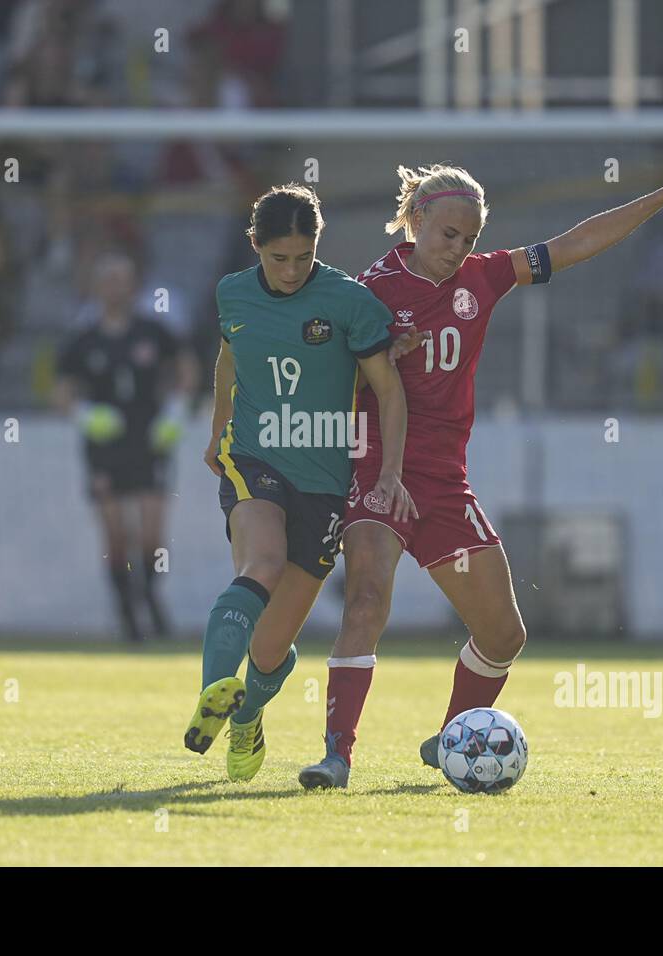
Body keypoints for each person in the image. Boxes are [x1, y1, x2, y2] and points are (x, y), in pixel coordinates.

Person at [299, 158, 663, 788]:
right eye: (449, 235)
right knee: (365, 597)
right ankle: (337, 754)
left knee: (503, 633)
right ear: (415, 221)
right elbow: (328, 377)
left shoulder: (485, 277)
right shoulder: (372, 290)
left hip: (444, 482)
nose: (459, 250)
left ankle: (449, 739)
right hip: (379, 470)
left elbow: (573, 245)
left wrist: (662, 195)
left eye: (469, 239)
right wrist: (378, 358)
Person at [184, 183, 417, 783]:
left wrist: (389, 472)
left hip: (324, 481)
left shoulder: (350, 301)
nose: (290, 271)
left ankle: (244, 713)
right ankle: (214, 690)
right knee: (260, 563)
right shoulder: (231, 294)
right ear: (255, 246)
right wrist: (216, 432)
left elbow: (388, 390)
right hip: (254, 458)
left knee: (270, 649)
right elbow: (229, 358)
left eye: (302, 257)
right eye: (277, 258)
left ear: (318, 246)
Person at [53, 252, 197, 642]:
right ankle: (126, 611)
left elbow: (186, 369)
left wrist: (175, 412)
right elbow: (62, 391)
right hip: (105, 445)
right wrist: (85, 416)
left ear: (134, 286)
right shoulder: (83, 341)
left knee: (152, 530)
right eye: (109, 279)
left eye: (123, 279)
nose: (116, 288)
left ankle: (149, 595)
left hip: (149, 438)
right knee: (116, 531)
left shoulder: (154, 331)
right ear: (97, 287)